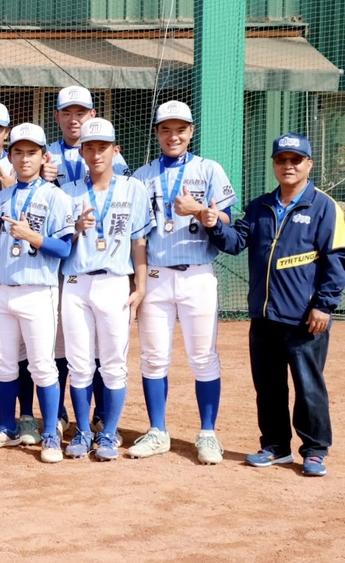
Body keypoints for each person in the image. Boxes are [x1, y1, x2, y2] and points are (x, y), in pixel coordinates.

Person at [205, 133, 345, 477]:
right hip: (264, 316)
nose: (288, 166)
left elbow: (337, 259)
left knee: (309, 387)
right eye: (281, 160)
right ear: (273, 164)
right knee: (268, 387)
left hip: (305, 319)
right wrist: (212, 224)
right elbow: (235, 242)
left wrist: (324, 306)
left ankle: (314, 450)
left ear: (309, 164)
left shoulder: (324, 207)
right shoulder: (260, 206)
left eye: (295, 160)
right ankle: (275, 446)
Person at [128, 100, 237, 465]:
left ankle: (207, 434)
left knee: (203, 356)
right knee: (153, 358)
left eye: (180, 129)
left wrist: (201, 211)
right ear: (157, 133)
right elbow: (137, 233)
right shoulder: (142, 176)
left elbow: (226, 217)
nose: (173, 136)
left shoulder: (208, 169)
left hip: (197, 273)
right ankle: (157, 431)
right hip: (156, 275)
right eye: (165, 130)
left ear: (191, 132)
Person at [0, 123, 74, 462]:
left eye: (32, 152)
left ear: (44, 157)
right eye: (18, 152)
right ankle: (6, 426)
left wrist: (33, 237)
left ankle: (50, 435)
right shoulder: (3, 197)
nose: (25, 158)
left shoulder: (56, 197)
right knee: (4, 365)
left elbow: (65, 249)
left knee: (42, 365)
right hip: (4, 290)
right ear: (11, 156)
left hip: (38, 290)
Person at [60, 118, 150, 461]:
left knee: (113, 363)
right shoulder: (67, 192)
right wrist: (74, 228)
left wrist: (140, 286)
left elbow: (139, 242)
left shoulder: (133, 188)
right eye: (89, 148)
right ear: (81, 152)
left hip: (114, 281)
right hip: (75, 282)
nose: (96, 154)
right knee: (79, 363)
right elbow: (58, 243)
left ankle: (109, 432)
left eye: (103, 147)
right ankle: (83, 431)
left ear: (115, 150)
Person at [44, 86, 130, 436]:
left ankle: (101, 415)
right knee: (60, 344)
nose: (74, 118)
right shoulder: (45, 153)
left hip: (97, 261)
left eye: (81, 112)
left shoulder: (111, 156)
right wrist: (45, 181)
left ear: (92, 115)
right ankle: (60, 413)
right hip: (57, 265)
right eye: (67, 112)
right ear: (57, 116)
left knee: (98, 346)